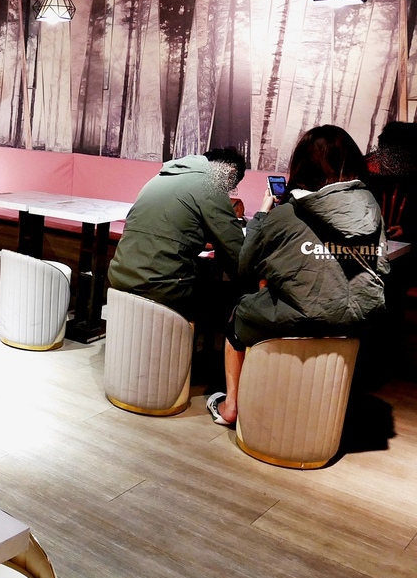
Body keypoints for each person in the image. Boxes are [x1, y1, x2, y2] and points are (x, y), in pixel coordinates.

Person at [207, 125, 389, 425]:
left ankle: (231, 408)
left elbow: (245, 267)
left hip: (304, 318)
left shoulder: (286, 213)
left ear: (303, 165)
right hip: (362, 318)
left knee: (240, 316)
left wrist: (263, 213)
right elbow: (380, 267)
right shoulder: (372, 210)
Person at [108, 147, 247, 321]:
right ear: (231, 171)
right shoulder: (211, 183)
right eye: (231, 186)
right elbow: (235, 252)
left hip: (120, 276)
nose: (228, 191)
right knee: (227, 299)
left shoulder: (161, 176)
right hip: (160, 286)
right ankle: (192, 337)